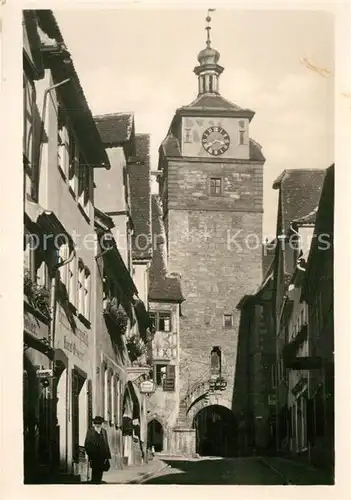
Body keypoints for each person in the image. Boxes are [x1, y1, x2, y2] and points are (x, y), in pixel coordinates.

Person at [84, 416, 111, 484]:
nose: (98, 425)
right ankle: (94, 481)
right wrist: (89, 453)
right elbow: (87, 443)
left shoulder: (103, 432)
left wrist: (107, 455)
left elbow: (106, 443)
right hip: (94, 454)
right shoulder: (90, 431)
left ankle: (98, 481)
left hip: (102, 455)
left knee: (101, 469)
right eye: (96, 423)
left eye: (99, 423)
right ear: (94, 424)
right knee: (95, 469)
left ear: (101, 424)